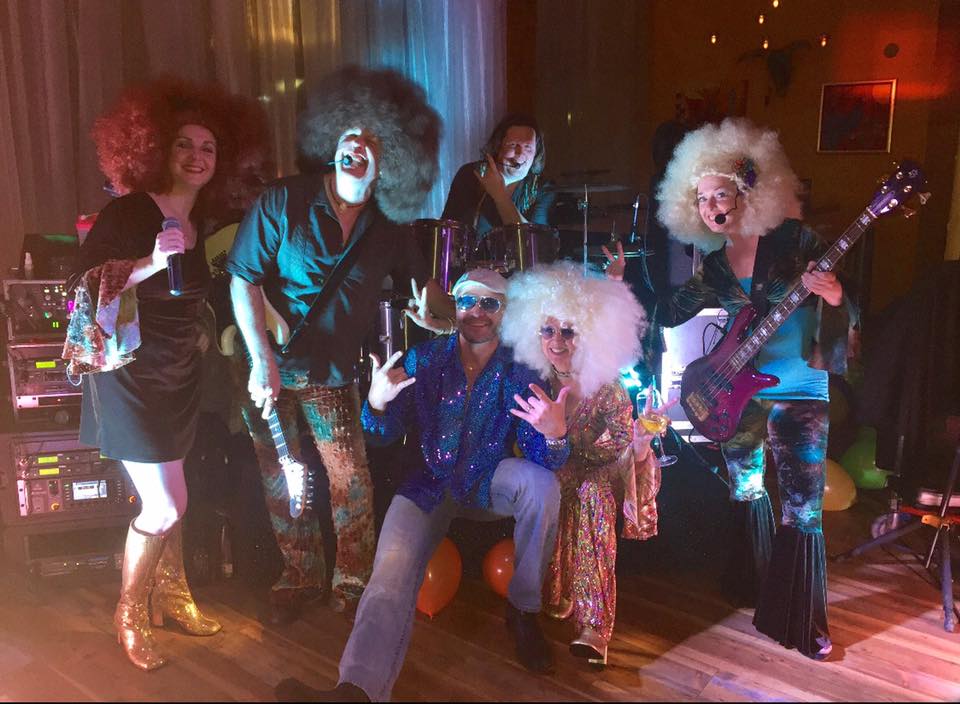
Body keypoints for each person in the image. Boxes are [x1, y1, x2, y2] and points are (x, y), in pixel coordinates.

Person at [275, 268, 570, 702]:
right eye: (468, 301)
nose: (477, 311)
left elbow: (545, 459)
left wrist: (555, 435)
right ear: (455, 305)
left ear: (505, 311)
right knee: (388, 576)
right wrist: (376, 404)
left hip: (487, 480)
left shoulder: (522, 371)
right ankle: (357, 690)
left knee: (543, 487)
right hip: (427, 485)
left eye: (490, 303)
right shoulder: (424, 359)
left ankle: (523, 611)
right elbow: (382, 435)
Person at [226, 65, 450, 625]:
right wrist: (261, 360)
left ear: (390, 160)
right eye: (352, 132)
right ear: (333, 140)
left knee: (351, 482)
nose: (360, 144)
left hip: (332, 374)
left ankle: (352, 583)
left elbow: (426, 291)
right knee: (283, 477)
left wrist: (443, 310)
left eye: (375, 140)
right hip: (270, 368)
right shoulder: (283, 200)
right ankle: (299, 577)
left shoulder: (390, 226)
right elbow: (242, 278)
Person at [63, 78, 270, 671]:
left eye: (208, 147)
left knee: (175, 499)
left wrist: (204, 332)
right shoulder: (130, 211)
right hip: (129, 377)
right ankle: (129, 613)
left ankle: (174, 597)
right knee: (163, 505)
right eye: (184, 144)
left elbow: (195, 298)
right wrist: (152, 261)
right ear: (155, 147)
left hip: (179, 377)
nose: (197, 156)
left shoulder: (202, 219)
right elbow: (80, 289)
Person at [654, 117, 855, 660]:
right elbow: (669, 311)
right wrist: (621, 279)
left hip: (800, 390)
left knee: (803, 507)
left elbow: (849, 305)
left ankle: (802, 622)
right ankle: (752, 584)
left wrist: (834, 293)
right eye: (701, 199)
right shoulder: (716, 267)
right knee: (745, 489)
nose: (711, 206)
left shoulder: (796, 241)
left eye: (720, 193)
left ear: (747, 190)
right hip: (738, 396)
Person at [499, 261, 654, 666]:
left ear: (588, 332)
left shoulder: (608, 386)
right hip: (549, 473)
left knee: (593, 493)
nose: (557, 341)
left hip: (598, 475)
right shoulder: (530, 381)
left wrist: (639, 445)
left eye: (568, 330)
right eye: (547, 330)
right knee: (552, 487)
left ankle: (594, 627)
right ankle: (548, 598)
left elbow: (620, 449)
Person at [441, 113, 554, 238]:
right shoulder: (470, 174)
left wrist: (499, 194)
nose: (520, 153)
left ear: (536, 152)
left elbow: (533, 242)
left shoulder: (542, 188)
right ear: (498, 147)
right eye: (513, 145)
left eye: (528, 147)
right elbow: (447, 230)